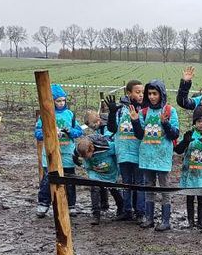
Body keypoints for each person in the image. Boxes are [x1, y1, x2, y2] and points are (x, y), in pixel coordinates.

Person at [130, 80, 179, 231]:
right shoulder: (144, 111)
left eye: (154, 94)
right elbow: (139, 135)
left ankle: (166, 221)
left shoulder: (170, 111)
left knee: (165, 188)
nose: (151, 97)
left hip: (162, 156)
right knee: (148, 188)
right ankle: (149, 218)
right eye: (149, 94)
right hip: (147, 156)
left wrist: (165, 123)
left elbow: (174, 134)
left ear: (161, 94)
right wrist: (136, 121)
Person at [35, 84, 83, 218]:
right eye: (58, 101)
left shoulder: (70, 114)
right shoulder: (45, 115)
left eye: (63, 100)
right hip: (50, 152)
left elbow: (79, 131)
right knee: (48, 178)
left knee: (69, 178)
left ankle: (71, 205)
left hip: (67, 152)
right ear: (52, 101)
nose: (61, 103)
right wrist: (49, 132)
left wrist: (70, 132)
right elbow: (38, 134)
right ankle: (43, 203)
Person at [105, 80, 145, 221]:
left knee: (140, 183)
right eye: (137, 92)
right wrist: (111, 113)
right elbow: (112, 128)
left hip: (139, 152)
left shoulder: (144, 110)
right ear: (129, 93)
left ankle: (140, 212)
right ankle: (126, 211)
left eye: (142, 92)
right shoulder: (121, 109)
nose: (141, 95)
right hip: (123, 152)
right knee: (126, 183)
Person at [175, 107, 202, 229]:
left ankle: (200, 222)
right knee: (190, 197)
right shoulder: (190, 134)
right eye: (198, 121)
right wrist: (185, 142)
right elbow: (178, 150)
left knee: (201, 198)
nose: (200, 124)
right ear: (194, 122)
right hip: (190, 172)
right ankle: (190, 221)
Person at [73, 132, 123, 225]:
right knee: (94, 188)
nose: (85, 158)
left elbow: (119, 152)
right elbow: (74, 156)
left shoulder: (108, 147)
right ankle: (96, 214)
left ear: (91, 149)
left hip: (110, 172)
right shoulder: (79, 149)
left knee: (114, 189)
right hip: (94, 171)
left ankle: (121, 210)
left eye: (86, 156)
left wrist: (120, 168)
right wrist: (78, 162)